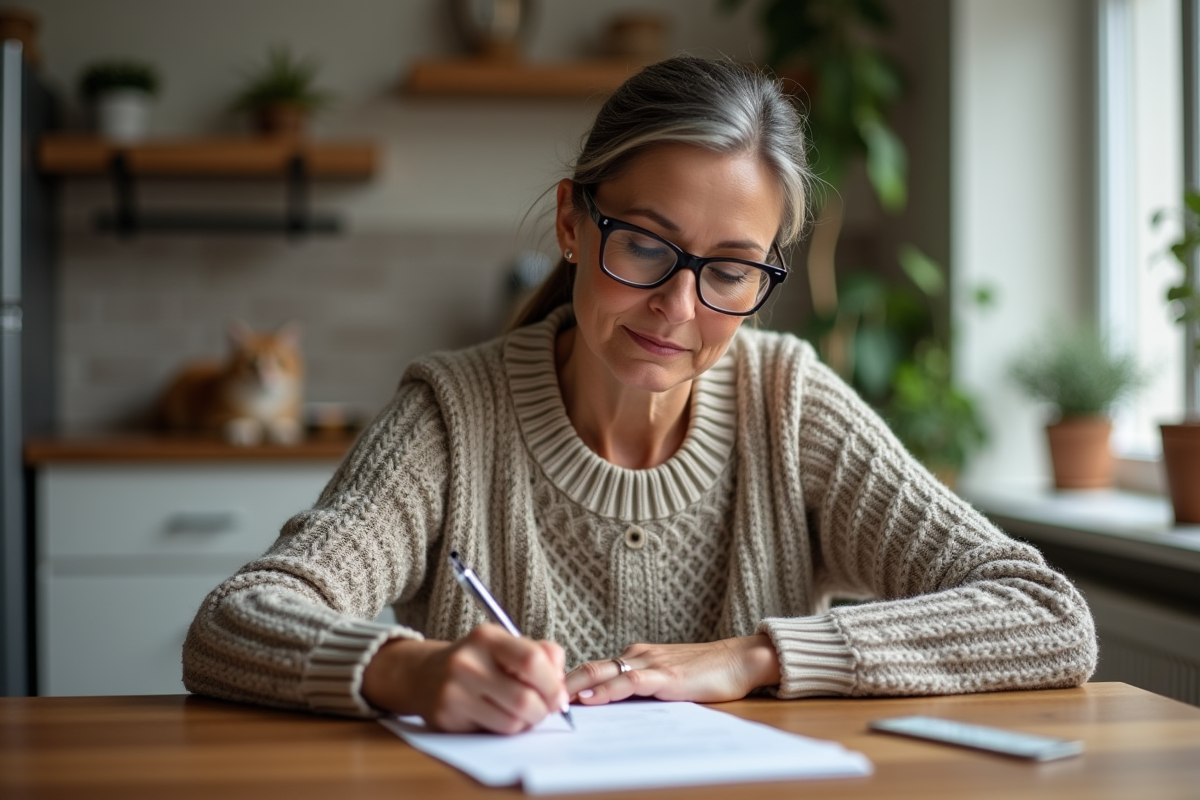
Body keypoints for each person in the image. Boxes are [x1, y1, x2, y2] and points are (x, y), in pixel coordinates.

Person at [182, 56, 1097, 733]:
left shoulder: (789, 404)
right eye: (647, 246)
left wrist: (755, 657)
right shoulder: (452, 417)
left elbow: (1047, 616)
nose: (677, 305)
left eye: (731, 270)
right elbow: (235, 622)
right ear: (573, 224)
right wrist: (410, 672)